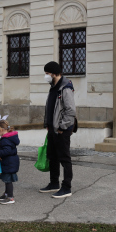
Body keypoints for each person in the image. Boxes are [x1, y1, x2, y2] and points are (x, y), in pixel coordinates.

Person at [39, 61, 76, 198]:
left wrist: (62, 127)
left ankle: (66, 187)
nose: (46, 76)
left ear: (54, 73)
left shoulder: (65, 88)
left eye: (47, 73)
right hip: (52, 129)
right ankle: (54, 183)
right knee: (52, 156)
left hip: (61, 130)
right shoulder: (53, 86)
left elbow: (70, 110)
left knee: (64, 158)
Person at [0, 119, 20, 205]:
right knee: (7, 179)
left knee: (8, 180)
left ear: (1, 130)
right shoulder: (10, 138)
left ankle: (10, 197)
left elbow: (7, 151)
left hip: (9, 162)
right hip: (10, 162)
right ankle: (6, 194)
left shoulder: (5, 139)